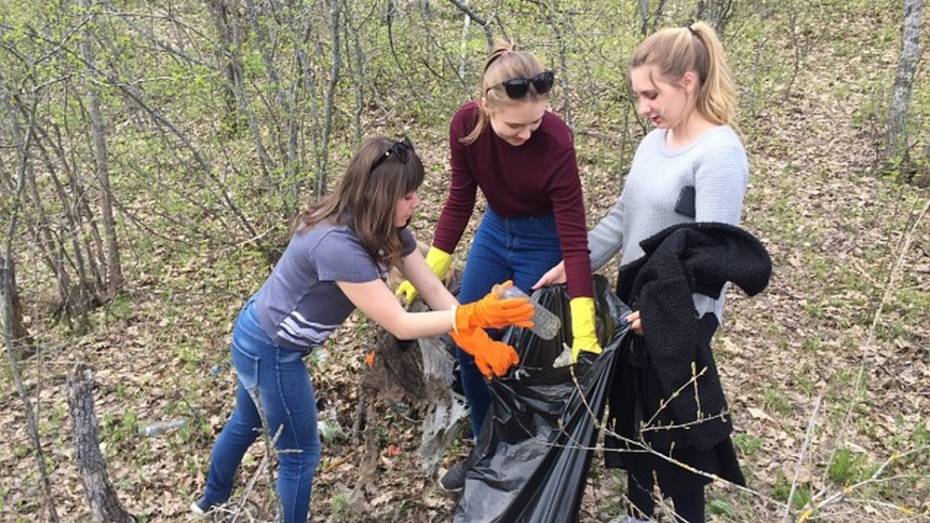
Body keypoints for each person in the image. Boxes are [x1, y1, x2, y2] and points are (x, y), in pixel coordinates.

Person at [192, 137, 535, 522]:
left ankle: (209, 501)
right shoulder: (336, 244)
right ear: (380, 195)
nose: (416, 202)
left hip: (261, 333)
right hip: (269, 347)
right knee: (300, 453)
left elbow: (436, 291)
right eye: (408, 195)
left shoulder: (388, 228)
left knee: (248, 421)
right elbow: (400, 322)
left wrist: (475, 336)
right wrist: (476, 316)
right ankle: (215, 501)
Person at [533, 22, 749, 523]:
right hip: (634, 306)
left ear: (689, 82)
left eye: (652, 94)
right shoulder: (653, 144)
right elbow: (621, 219)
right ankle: (637, 512)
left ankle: (688, 516)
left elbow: (715, 254)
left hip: (679, 317)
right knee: (631, 416)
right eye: (637, 96)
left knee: (676, 432)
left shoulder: (718, 153)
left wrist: (667, 317)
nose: (644, 107)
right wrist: (576, 263)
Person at [395, 42, 602, 492]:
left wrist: (585, 327)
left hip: (543, 238)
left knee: (521, 346)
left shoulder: (556, 139)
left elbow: (574, 236)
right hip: (495, 230)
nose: (528, 133)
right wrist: (426, 273)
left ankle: (523, 446)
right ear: (487, 105)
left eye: (536, 122)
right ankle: (485, 445)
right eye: (516, 124)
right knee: (468, 331)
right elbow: (460, 199)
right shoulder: (466, 125)